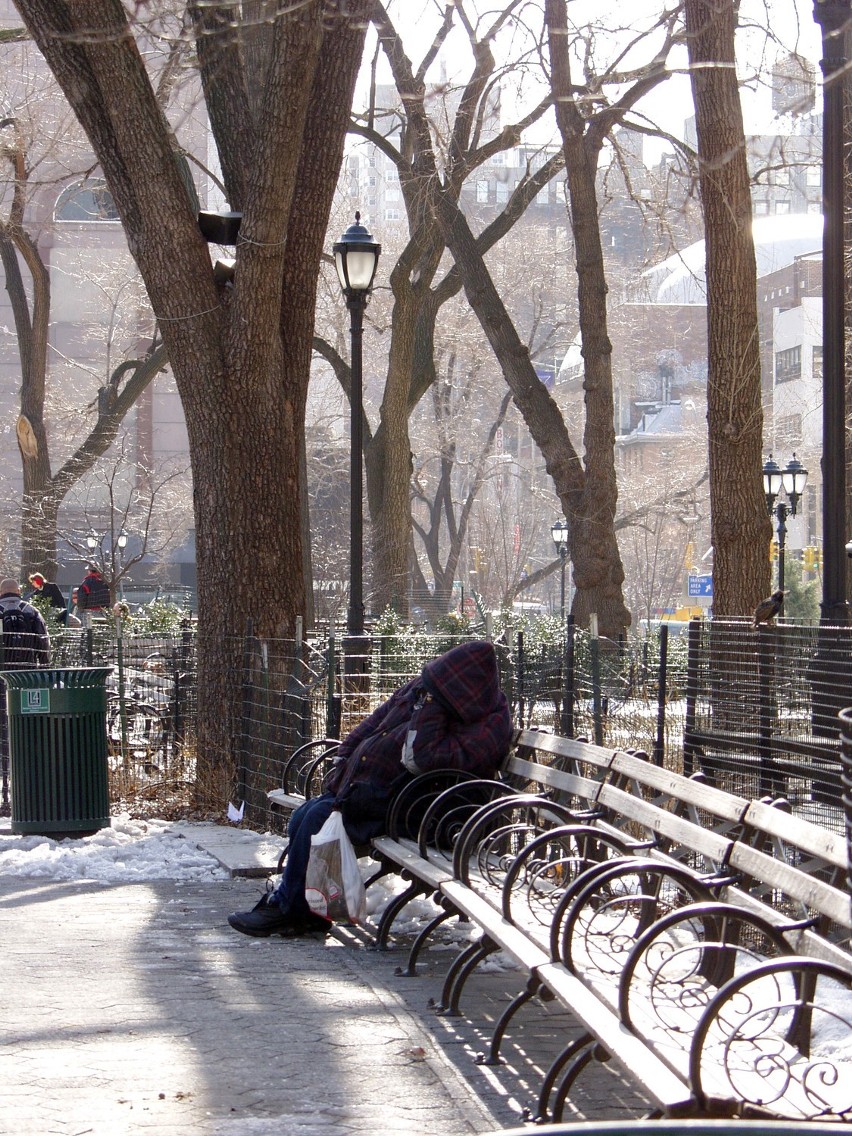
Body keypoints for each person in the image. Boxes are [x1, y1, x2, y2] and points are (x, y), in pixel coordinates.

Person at [228, 639, 513, 938]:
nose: (427, 689)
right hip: (379, 792)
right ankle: (309, 911)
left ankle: (288, 909)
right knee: (305, 816)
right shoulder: (424, 691)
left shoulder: (481, 718)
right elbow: (373, 723)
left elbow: (424, 757)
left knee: (315, 820)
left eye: (435, 687)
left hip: (418, 809)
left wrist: (432, 706)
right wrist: (343, 757)